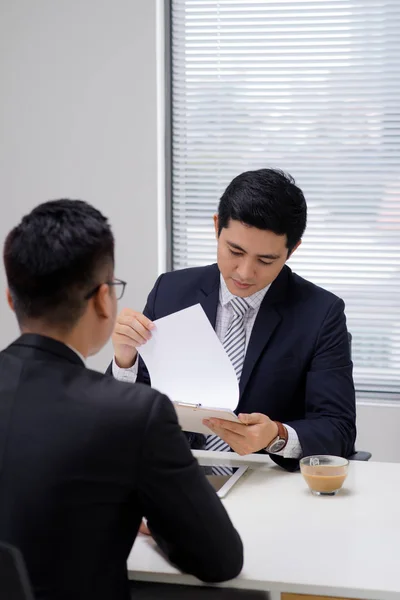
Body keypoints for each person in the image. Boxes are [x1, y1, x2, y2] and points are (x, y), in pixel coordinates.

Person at [0, 199, 243, 600]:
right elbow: (220, 560)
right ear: (102, 300)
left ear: (12, 300)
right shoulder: (134, 414)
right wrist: (150, 522)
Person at [110, 169, 356, 472]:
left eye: (265, 260)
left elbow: (338, 429)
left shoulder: (321, 313)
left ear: (292, 250)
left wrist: (276, 436)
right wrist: (125, 361)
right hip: (176, 477)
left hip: (264, 485)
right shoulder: (171, 292)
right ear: (217, 227)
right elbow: (128, 411)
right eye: (234, 251)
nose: (244, 272)